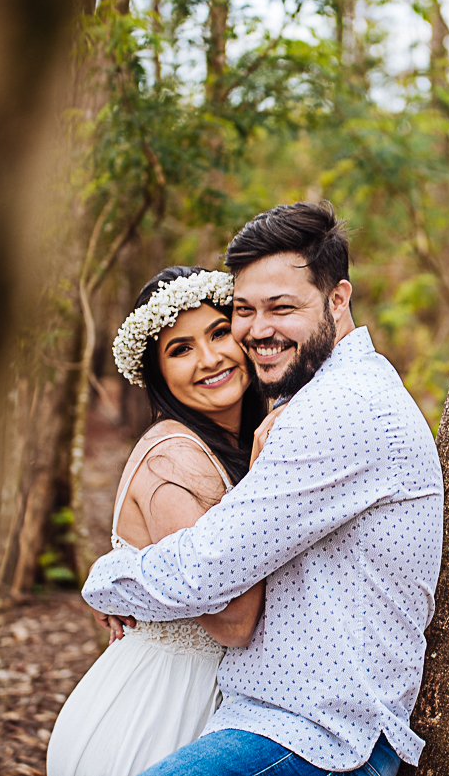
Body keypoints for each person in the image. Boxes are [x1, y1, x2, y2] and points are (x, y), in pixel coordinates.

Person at [83, 202, 444, 776]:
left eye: (282, 308)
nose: (257, 330)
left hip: (313, 739)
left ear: (338, 299)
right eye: (244, 310)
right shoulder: (319, 394)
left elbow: (206, 570)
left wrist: (105, 579)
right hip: (277, 724)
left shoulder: (336, 408)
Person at [47, 266, 270, 776]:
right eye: (181, 349)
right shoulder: (175, 460)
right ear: (158, 374)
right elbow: (233, 622)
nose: (210, 358)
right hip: (156, 716)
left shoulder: (242, 439)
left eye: (218, 333)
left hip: (213, 713)